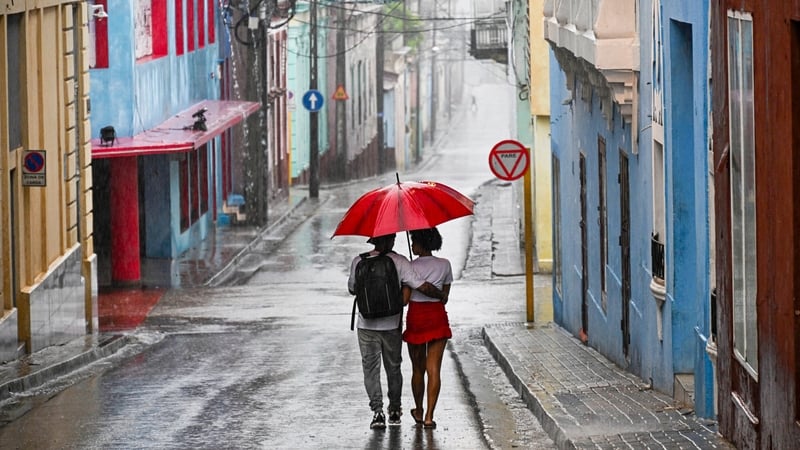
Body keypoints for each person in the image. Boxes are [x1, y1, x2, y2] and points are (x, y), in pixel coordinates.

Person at [348, 233, 446, 430]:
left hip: (365, 325)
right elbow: (420, 286)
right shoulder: (399, 261)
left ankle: (377, 412)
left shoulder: (358, 260)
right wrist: (440, 295)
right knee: (393, 368)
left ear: (372, 241)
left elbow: (352, 288)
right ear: (392, 239)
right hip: (391, 324)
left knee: (370, 370)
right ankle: (394, 409)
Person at [402, 228, 453, 430]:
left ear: (421, 243)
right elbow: (445, 296)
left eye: (414, 241)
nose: (412, 245)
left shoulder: (410, 267)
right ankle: (430, 416)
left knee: (417, 369)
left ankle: (419, 409)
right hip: (437, 317)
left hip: (417, 317)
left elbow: (405, 300)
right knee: (434, 369)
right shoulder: (444, 265)